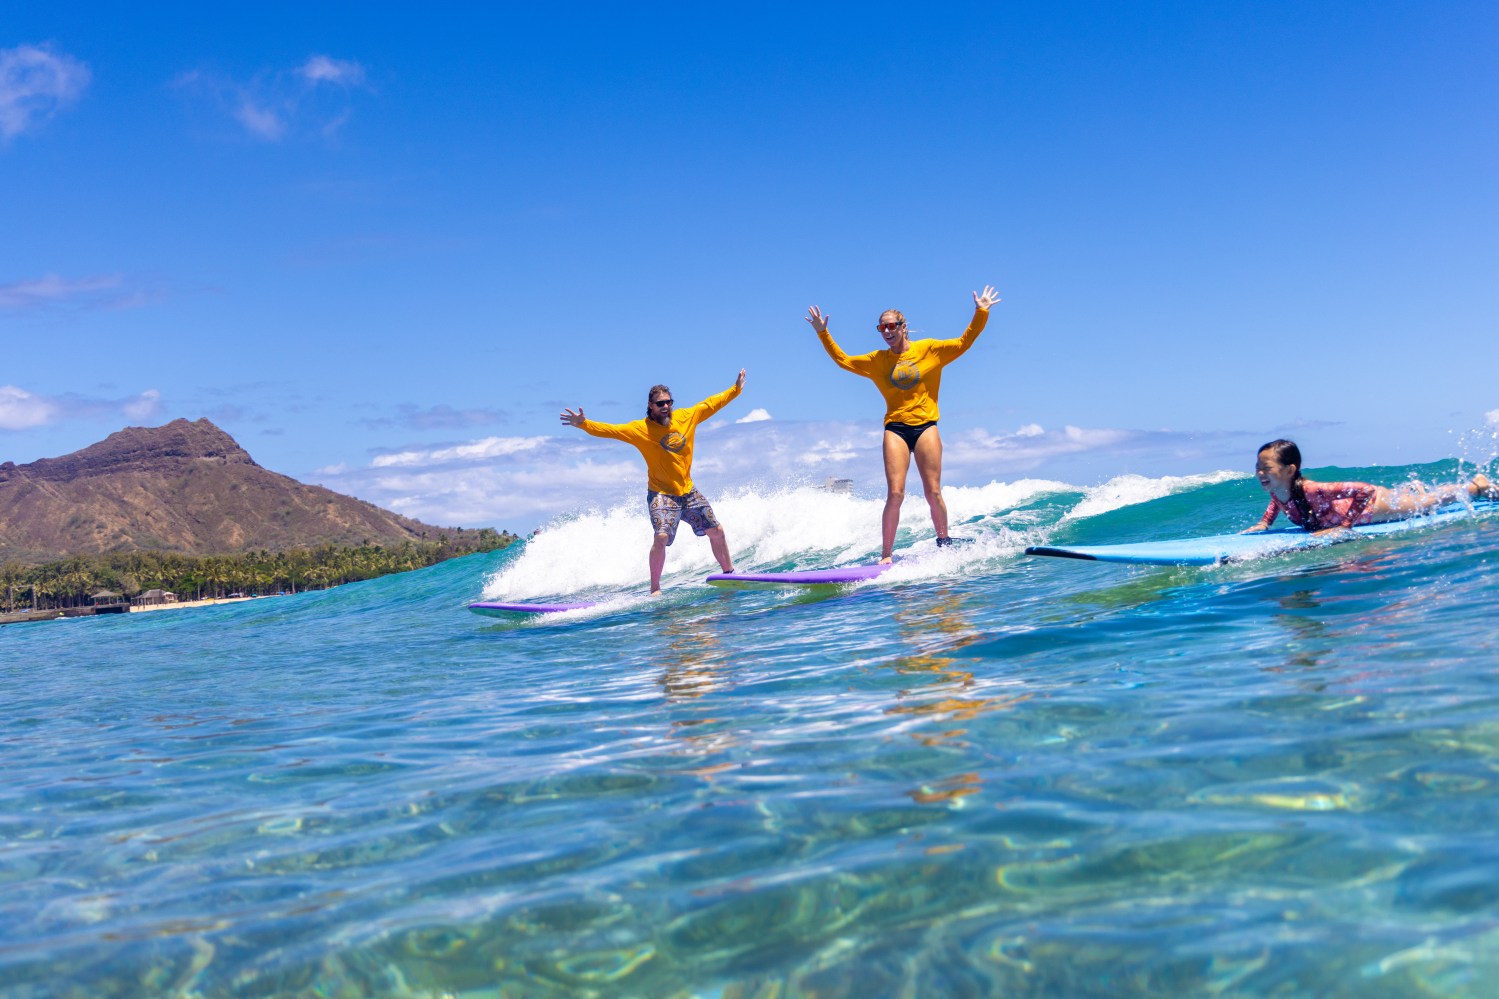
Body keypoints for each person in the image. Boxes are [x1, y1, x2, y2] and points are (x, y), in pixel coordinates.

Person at [806, 285, 1000, 562]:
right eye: (881, 328)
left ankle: (944, 542)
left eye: (891, 326)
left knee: (932, 491)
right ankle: (886, 555)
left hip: (926, 427)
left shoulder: (930, 350)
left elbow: (964, 342)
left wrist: (980, 312)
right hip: (895, 428)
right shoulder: (877, 360)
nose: (886, 332)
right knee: (895, 494)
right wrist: (822, 333)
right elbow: (843, 361)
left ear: (903, 326)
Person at [560, 370, 746, 593]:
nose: (665, 406)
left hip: (687, 490)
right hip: (661, 493)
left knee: (716, 530)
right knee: (661, 536)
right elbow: (611, 430)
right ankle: (655, 588)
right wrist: (584, 424)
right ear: (650, 405)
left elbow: (711, 404)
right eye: (660, 403)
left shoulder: (687, 417)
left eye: (668, 402)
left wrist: (735, 389)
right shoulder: (641, 430)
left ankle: (729, 574)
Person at [1244, 438, 1498, 534]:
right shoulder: (1280, 491)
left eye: (1266, 468)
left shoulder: (1311, 489)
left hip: (1373, 508)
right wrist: (1265, 522)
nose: (1260, 473)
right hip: (1368, 508)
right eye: (1258, 467)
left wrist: (1343, 527)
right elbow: (1278, 502)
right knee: (1422, 501)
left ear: (1290, 470)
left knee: (1428, 505)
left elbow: (1364, 491)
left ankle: (1476, 486)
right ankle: (1413, 489)